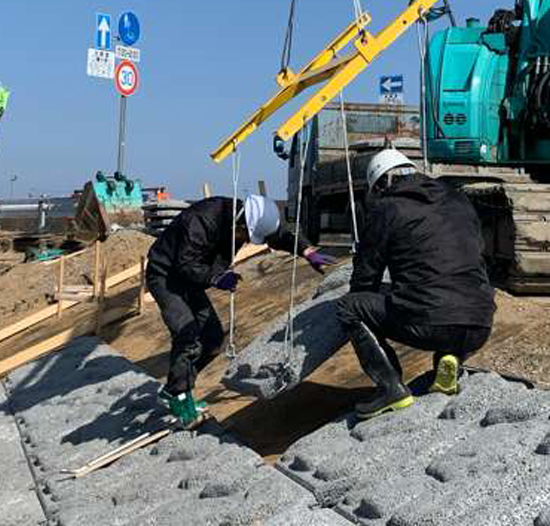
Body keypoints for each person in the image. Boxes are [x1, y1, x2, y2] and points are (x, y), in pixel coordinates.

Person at [145, 194, 332, 427]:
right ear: (239, 223)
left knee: (212, 339)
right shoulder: (203, 221)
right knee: (187, 333)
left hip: (191, 276)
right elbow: (185, 263)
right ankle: (180, 397)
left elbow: (279, 234)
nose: (245, 241)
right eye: (245, 235)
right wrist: (216, 278)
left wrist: (306, 251)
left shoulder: (249, 218)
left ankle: (174, 388)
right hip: (166, 275)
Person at [336, 149, 495, 419]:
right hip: (480, 322)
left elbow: (366, 277)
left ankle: (391, 389)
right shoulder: (458, 200)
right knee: (444, 297)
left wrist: (365, 305)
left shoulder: (387, 207)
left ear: (382, 184)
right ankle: (451, 358)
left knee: (349, 307)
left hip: (430, 323)